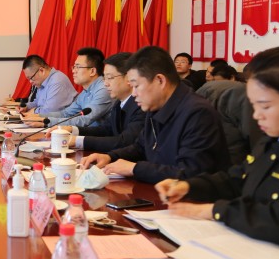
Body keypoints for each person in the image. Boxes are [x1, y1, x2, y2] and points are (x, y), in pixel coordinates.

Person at [155, 46, 279, 248]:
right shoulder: (273, 139)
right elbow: (238, 179)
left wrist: (215, 211)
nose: (256, 115)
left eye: (265, 106)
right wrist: (189, 186)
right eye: (253, 106)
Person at [81, 46, 230, 184]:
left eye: (136, 86)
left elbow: (190, 174)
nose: (134, 93)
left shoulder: (197, 113)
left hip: (190, 200)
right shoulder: (156, 106)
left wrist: (135, 168)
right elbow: (140, 147)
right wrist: (110, 156)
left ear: (160, 80)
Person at [65, 52, 146, 152]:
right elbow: (105, 130)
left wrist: (79, 141)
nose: (106, 83)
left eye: (110, 78)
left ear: (129, 78)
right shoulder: (118, 103)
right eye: (105, 78)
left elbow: (125, 141)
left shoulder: (141, 106)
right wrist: (73, 130)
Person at [23, 47, 113, 131]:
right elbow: (65, 113)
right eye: (74, 67)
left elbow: (84, 120)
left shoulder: (104, 89)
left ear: (92, 71)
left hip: (98, 139)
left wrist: (46, 122)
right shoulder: (85, 93)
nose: (73, 71)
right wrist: (39, 116)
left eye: (78, 67)